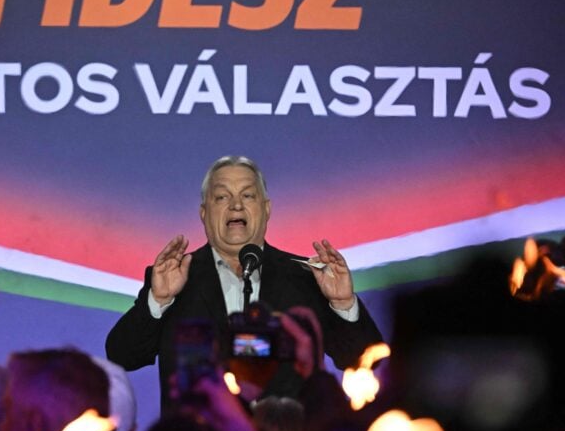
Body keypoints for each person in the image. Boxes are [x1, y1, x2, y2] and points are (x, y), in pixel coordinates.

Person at [106, 155, 383, 410]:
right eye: (221, 197)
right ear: (204, 213)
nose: (236, 205)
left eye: (247, 195)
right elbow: (123, 356)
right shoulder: (174, 277)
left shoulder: (307, 276)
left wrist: (342, 303)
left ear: (266, 209)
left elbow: (362, 360)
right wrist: (159, 300)